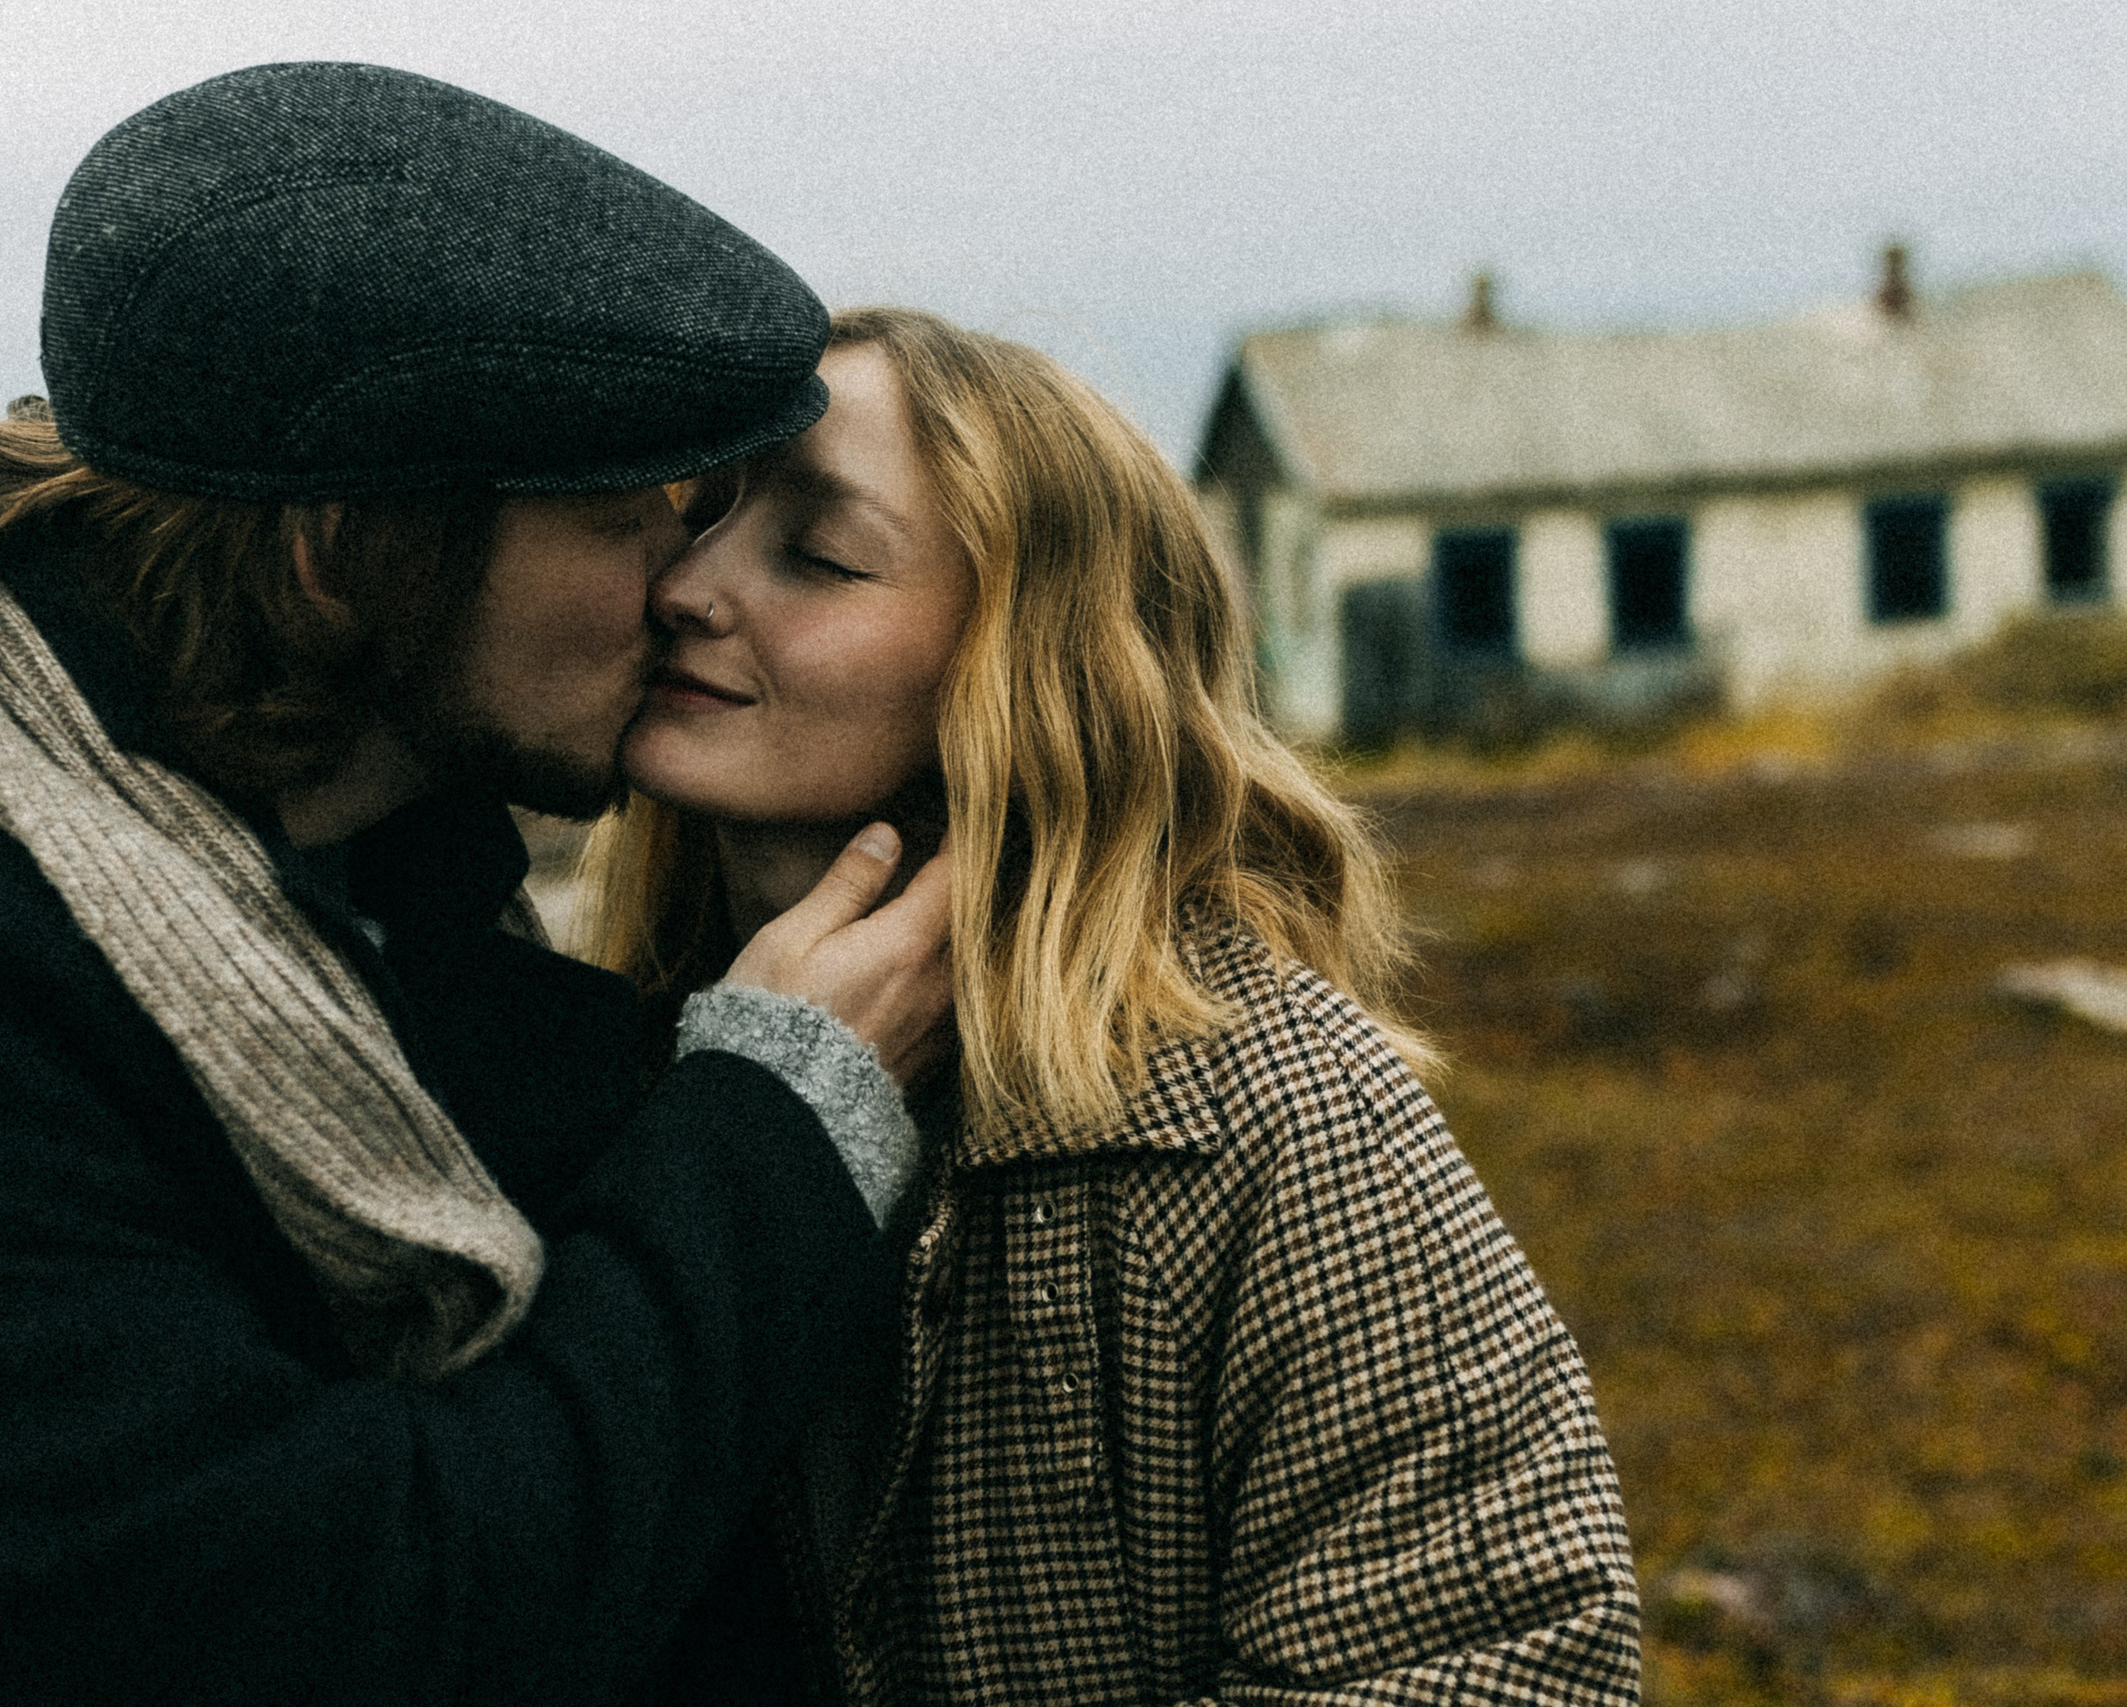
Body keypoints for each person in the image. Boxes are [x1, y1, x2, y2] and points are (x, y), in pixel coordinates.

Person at [0, 66, 953, 1706]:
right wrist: (772, 1132)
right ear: (344, 549)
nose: (690, 589)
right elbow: (323, 1624)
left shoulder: (364, 855)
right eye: (625, 519)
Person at [578, 306, 1646, 1703]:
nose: (685, 585)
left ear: (1026, 670)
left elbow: (1513, 1666)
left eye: (820, 555)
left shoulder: (1271, 1118)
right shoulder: (599, 1064)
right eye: (696, 513)